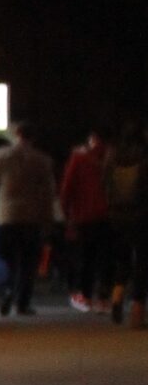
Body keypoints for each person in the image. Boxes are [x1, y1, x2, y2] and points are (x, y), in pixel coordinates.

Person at [0, 123, 58, 315]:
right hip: (32, 219)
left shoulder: (1, 156)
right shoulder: (42, 160)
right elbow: (48, 194)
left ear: (16, 134)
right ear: (33, 138)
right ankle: (22, 303)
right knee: (28, 263)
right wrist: (48, 220)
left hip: (5, 217)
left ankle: (6, 287)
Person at [60, 129, 113, 310]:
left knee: (86, 257)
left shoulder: (79, 158)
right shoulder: (112, 157)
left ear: (92, 139)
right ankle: (104, 297)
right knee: (106, 257)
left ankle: (86, 296)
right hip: (110, 213)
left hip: (84, 215)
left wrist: (66, 213)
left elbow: (67, 187)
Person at [106, 123, 148, 326]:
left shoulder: (112, 157)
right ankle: (137, 312)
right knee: (142, 261)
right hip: (141, 215)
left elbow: (105, 186)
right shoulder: (144, 157)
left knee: (122, 259)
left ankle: (117, 296)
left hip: (116, 215)